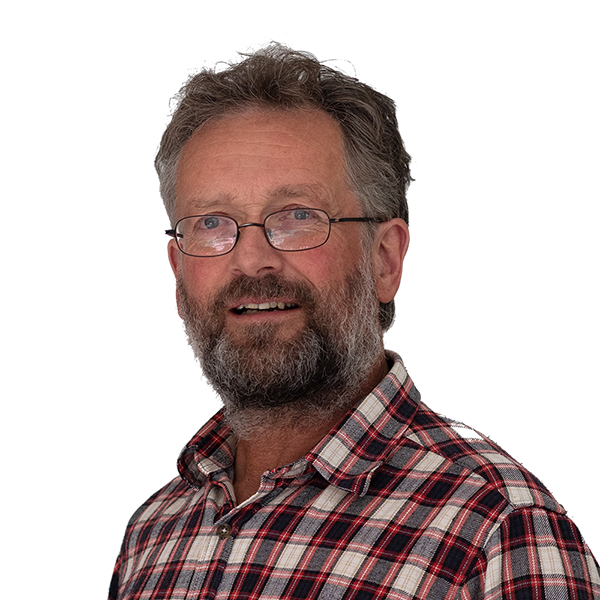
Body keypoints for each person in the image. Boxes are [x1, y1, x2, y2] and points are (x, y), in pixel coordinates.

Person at [109, 46, 600, 600]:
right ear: (178, 271)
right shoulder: (155, 530)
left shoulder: (499, 531)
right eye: (211, 223)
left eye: (298, 216)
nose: (250, 260)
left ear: (384, 260)